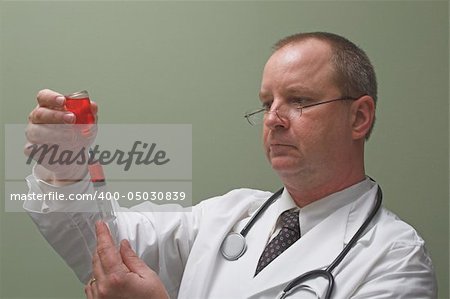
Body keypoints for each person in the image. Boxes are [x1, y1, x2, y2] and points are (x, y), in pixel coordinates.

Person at [24, 32, 437, 298]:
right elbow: (106, 245)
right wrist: (66, 166)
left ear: (359, 118)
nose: (273, 118)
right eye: (266, 103)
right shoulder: (229, 215)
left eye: (299, 100)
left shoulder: (395, 260)